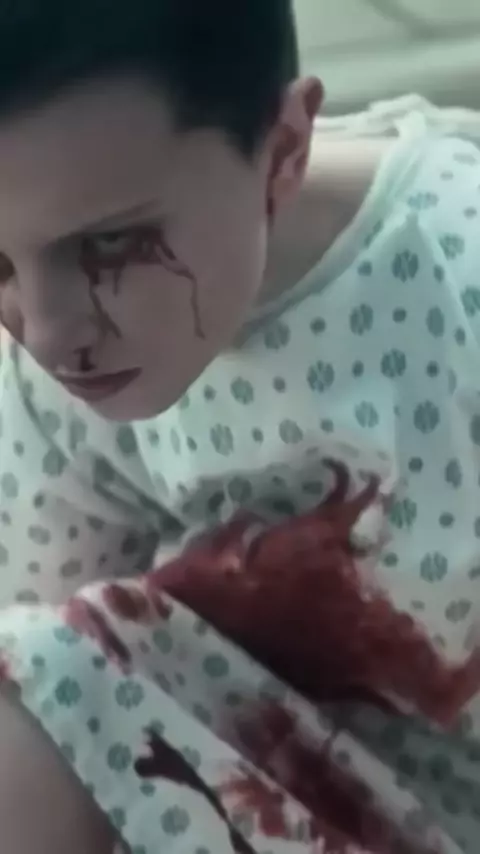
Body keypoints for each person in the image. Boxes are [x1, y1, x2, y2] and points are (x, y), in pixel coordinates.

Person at [0, 1, 479, 851]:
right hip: (241, 783)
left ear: (284, 149)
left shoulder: (454, 278)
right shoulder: (50, 369)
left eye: (109, 245)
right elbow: (46, 651)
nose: (44, 334)